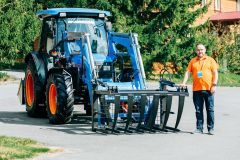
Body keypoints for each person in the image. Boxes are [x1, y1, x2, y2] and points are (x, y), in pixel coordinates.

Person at [181, 44, 218, 135]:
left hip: (209, 89)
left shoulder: (210, 60)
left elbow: (215, 73)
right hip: (196, 90)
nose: (200, 51)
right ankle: (199, 128)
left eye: (201, 49)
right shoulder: (193, 61)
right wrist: (184, 82)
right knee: (198, 110)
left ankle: (211, 129)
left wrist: (214, 85)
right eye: (198, 50)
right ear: (196, 51)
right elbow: (187, 73)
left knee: (210, 109)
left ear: (205, 50)